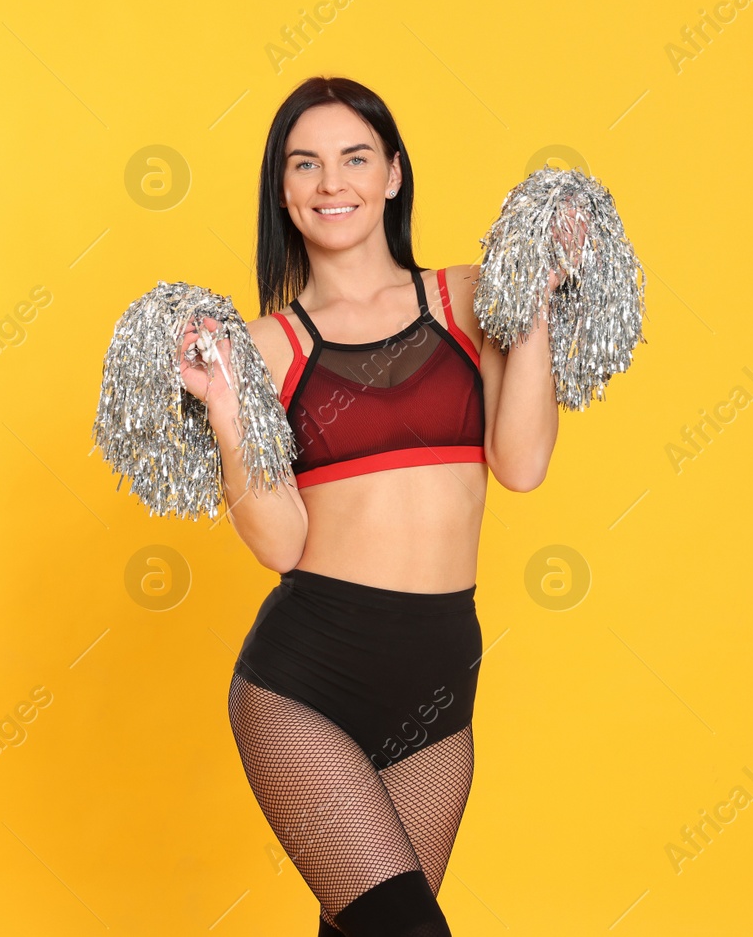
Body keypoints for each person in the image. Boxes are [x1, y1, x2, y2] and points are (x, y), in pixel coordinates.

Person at [177, 76, 567, 935]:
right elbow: (281, 542)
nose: (331, 183)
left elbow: (523, 461)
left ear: (393, 172)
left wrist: (531, 300)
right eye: (304, 164)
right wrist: (226, 408)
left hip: (436, 694)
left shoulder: (468, 300)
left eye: (355, 158)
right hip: (303, 688)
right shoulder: (264, 346)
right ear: (282, 191)